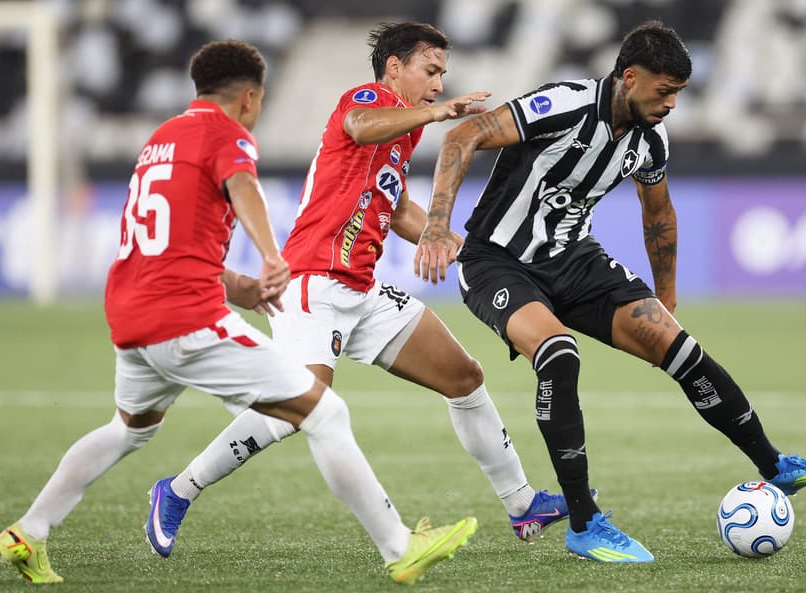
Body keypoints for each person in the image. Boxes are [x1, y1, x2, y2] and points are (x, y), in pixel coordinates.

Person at [0, 39, 477, 586]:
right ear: (249, 98)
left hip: (130, 310)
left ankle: (29, 531)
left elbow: (159, 240)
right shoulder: (227, 135)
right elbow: (243, 187)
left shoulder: (161, 140)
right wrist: (272, 257)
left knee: (128, 428)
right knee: (325, 412)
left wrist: (240, 285)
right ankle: (400, 548)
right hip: (185, 317)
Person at [414, 20, 806, 563]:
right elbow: (462, 135)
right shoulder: (565, 104)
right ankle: (583, 522)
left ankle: (774, 466)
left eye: (678, 95)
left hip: (576, 260)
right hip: (497, 262)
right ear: (630, 76)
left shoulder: (648, 141)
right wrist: (436, 225)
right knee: (557, 355)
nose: (670, 105)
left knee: (681, 349)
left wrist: (664, 300)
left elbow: (658, 215)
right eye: (663, 91)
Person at [144, 21, 572, 556]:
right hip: (312, 283)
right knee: (296, 411)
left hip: (360, 290)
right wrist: (435, 113)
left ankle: (522, 505)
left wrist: (463, 246)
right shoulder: (371, 100)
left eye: (443, 76)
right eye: (431, 70)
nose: (439, 85)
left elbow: (394, 209)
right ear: (395, 67)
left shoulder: (404, 131)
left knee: (464, 376)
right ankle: (178, 490)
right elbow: (359, 123)